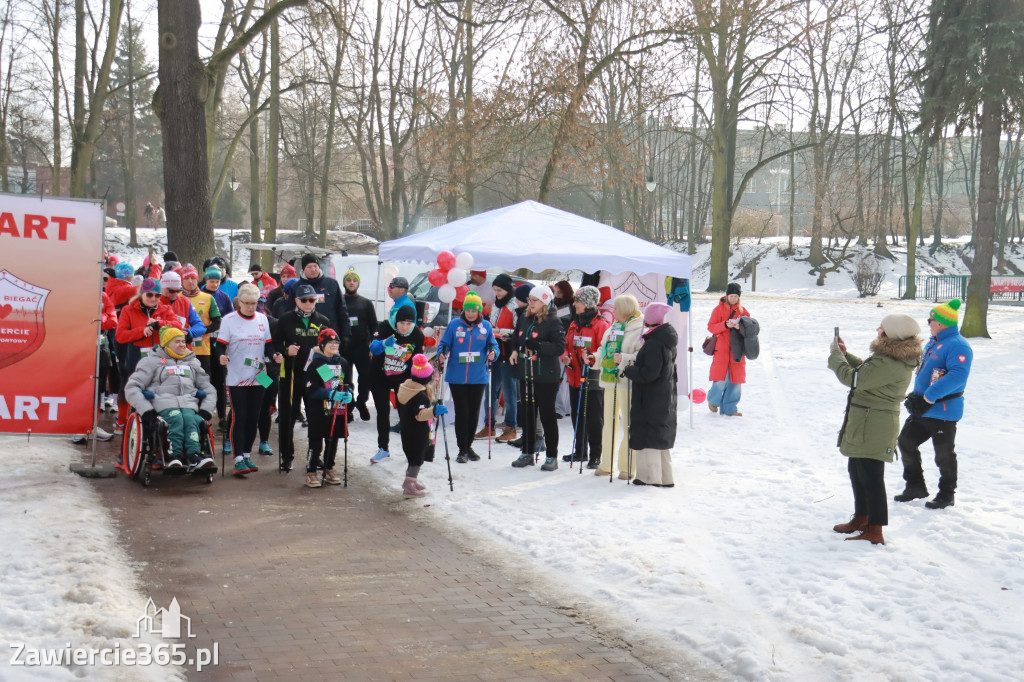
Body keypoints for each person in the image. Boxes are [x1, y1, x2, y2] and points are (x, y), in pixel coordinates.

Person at [828, 314, 924, 545]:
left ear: (892, 334)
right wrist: (845, 354)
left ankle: (875, 530)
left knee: (871, 477)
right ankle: (862, 517)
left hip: (875, 424)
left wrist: (835, 356)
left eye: (882, 327)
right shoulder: (890, 357)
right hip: (868, 421)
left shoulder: (890, 362)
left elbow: (854, 378)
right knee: (857, 470)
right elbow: (867, 370)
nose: (878, 329)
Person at [895, 299, 973, 510]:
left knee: (944, 455)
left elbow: (958, 375)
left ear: (940, 322)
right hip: (922, 408)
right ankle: (915, 487)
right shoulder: (934, 341)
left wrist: (929, 396)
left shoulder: (958, 345)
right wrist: (917, 395)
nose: (928, 323)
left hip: (943, 411)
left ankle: (947, 495)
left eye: (931, 319)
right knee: (906, 442)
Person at [125, 327, 218, 470]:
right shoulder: (151, 362)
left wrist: (206, 409)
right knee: (177, 418)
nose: (182, 344)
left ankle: (194, 456)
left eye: (183, 341)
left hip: (188, 403)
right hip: (163, 403)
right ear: (166, 344)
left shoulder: (193, 362)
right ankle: (175, 456)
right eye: (177, 342)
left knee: (190, 418)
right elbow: (132, 387)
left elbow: (209, 389)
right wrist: (146, 409)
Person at [217, 283, 281, 476]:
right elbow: (219, 346)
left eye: (255, 303)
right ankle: (237, 458)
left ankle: (246, 454)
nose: (251, 307)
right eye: (247, 303)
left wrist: (276, 354)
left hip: (259, 375)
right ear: (239, 302)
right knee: (240, 416)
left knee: (255, 417)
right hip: (238, 374)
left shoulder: (262, 319)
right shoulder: (229, 320)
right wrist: (221, 356)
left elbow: (268, 347)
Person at [114, 278, 183, 433]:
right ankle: (126, 422)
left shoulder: (164, 309)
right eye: (149, 295)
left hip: (160, 355)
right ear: (142, 294)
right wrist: (141, 331)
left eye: (157, 295)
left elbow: (179, 326)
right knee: (132, 388)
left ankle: (155, 424)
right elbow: (120, 336)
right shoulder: (129, 310)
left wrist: (160, 324)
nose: (153, 299)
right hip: (136, 355)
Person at [274, 283, 331, 471]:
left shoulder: (323, 320)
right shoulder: (285, 320)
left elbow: (331, 349)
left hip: (314, 378)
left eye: (312, 300)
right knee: (287, 418)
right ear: (296, 301)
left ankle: (315, 456)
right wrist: (285, 350)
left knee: (316, 419)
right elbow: (273, 347)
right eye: (304, 300)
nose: (308, 304)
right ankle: (286, 456)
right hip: (290, 375)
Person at [437, 292, 498, 464]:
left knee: (473, 413)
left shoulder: (486, 326)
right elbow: (444, 344)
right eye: (468, 310)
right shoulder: (455, 325)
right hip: (457, 376)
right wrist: (442, 353)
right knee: (462, 412)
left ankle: (468, 445)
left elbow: (493, 345)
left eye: (474, 310)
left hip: (478, 377)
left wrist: (494, 353)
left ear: (479, 311)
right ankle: (462, 449)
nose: (470, 313)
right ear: (464, 310)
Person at [622, 303, 679, 487]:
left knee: (650, 438)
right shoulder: (666, 339)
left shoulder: (654, 343)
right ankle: (665, 477)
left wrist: (630, 370)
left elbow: (649, 374)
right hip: (663, 396)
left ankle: (651, 478)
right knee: (659, 437)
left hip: (651, 398)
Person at [510, 285, 565, 471]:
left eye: (534, 300)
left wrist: (539, 346)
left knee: (547, 416)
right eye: (529, 300)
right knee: (527, 415)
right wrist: (513, 351)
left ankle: (551, 456)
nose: (530, 304)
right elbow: (515, 339)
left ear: (544, 302)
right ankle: (527, 452)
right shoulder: (524, 318)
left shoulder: (553, 321)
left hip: (545, 375)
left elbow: (559, 347)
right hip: (526, 372)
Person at [595, 295, 644, 479]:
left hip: (628, 382)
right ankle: (607, 464)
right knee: (609, 423)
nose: (613, 312)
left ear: (624, 310)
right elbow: (603, 349)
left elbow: (642, 356)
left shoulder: (639, 329)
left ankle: (627, 466)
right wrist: (594, 358)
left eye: (615, 309)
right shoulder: (612, 328)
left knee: (629, 424)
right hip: (609, 380)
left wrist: (624, 359)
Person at [368, 305, 424, 463]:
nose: (405, 328)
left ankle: (410, 450)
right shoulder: (385, 327)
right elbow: (373, 348)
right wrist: (385, 343)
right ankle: (383, 448)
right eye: (401, 323)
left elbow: (418, 358)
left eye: (409, 324)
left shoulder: (417, 334)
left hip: (402, 378)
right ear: (396, 322)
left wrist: (424, 373)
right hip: (379, 376)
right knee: (383, 412)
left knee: (405, 414)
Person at [560, 286, 608, 468]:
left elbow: (604, 351)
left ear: (588, 303)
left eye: (577, 301)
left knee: (594, 418)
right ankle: (580, 450)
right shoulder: (574, 323)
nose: (574, 304)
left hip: (592, 377)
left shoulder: (601, 325)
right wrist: (565, 356)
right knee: (577, 414)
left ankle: (596, 454)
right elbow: (567, 344)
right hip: (574, 375)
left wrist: (592, 356)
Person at [303, 328, 354, 488]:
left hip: (337, 409)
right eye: (330, 342)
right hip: (318, 408)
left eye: (336, 342)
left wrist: (349, 394)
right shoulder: (317, 363)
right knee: (316, 439)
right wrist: (330, 394)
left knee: (334, 439)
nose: (334, 345)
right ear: (322, 344)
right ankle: (311, 471)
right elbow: (311, 389)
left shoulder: (343, 363)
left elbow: (349, 384)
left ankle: (329, 468)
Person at [396, 354, 446, 497]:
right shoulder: (419, 396)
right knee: (416, 458)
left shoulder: (407, 389)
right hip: (417, 433)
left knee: (414, 457)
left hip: (408, 431)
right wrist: (434, 411)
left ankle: (411, 479)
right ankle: (409, 485)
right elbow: (420, 414)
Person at [480, 273, 520, 442]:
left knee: (510, 393)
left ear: (508, 289)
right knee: (490, 389)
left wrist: (502, 332)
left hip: (509, 352)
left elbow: (519, 330)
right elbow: (492, 324)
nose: (497, 293)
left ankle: (511, 427)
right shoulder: (496, 305)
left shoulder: (514, 305)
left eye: (500, 290)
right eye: (495, 290)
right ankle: (489, 425)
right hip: (495, 350)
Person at [707, 282, 750, 416]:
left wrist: (739, 328)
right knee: (720, 380)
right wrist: (725, 325)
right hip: (721, 350)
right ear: (726, 296)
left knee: (735, 381)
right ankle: (713, 401)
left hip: (737, 351)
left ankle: (730, 409)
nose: (733, 299)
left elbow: (750, 329)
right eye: (731, 296)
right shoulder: (718, 310)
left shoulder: (743, 311)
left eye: (736, 296)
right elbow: (711, 327)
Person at [341, 269, 378, 421]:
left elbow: (374, 326)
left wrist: (373, 345)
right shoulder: (339, 302)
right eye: (349, 280)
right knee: (345, 379)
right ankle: (347, 408)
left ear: (358, 283)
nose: (351, 283)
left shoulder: (366, 303)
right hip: (344, 347)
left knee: (365, 377)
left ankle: (361, 402)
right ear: (344, 283)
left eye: (354, 280)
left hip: (362, 347)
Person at [297, 253, 351, 344]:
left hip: (329, 334)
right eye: (309, 267)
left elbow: (342, 310)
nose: (313, 269)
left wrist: (346, 334)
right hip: (304, 336)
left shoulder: (331, 284)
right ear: (303, 269)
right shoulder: (296, 287)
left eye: (315, 266)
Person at [159, 271, 207, 345]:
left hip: (182, 350)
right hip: (160, 349)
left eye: (178, 291)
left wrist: (189, 332)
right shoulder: (154, 302)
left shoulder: (185, 302)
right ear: (162, 288)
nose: (175, 294)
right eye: (171, 291)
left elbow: (201, 326)